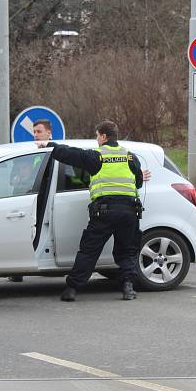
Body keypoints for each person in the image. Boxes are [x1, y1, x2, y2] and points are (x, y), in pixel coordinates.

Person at [37, 120, 143, 302]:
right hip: (129, 211)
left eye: (97, 136)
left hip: (105, 211)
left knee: (89, 251)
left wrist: (49, 145)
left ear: (103, 136)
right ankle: (128, 287)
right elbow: (138, 182)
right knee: (127, 251)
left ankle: (72, 289)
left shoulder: (97, 157)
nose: (96, 140)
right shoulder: (130, 157)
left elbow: (70, 154)